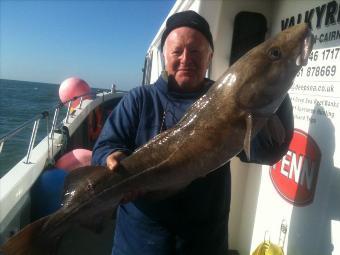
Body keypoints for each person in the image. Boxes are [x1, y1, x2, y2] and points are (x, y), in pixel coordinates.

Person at [92, 10, 293, 255]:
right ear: (165, 55)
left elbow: (266, 152)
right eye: (177, 51)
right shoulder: (139, 99)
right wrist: (111, 156)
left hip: (204, 242)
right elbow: (104, 147)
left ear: (209, 56)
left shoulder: (229, 101)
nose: (186, 58)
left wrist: (275, 91)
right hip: (139, 242)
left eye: (196, 51)